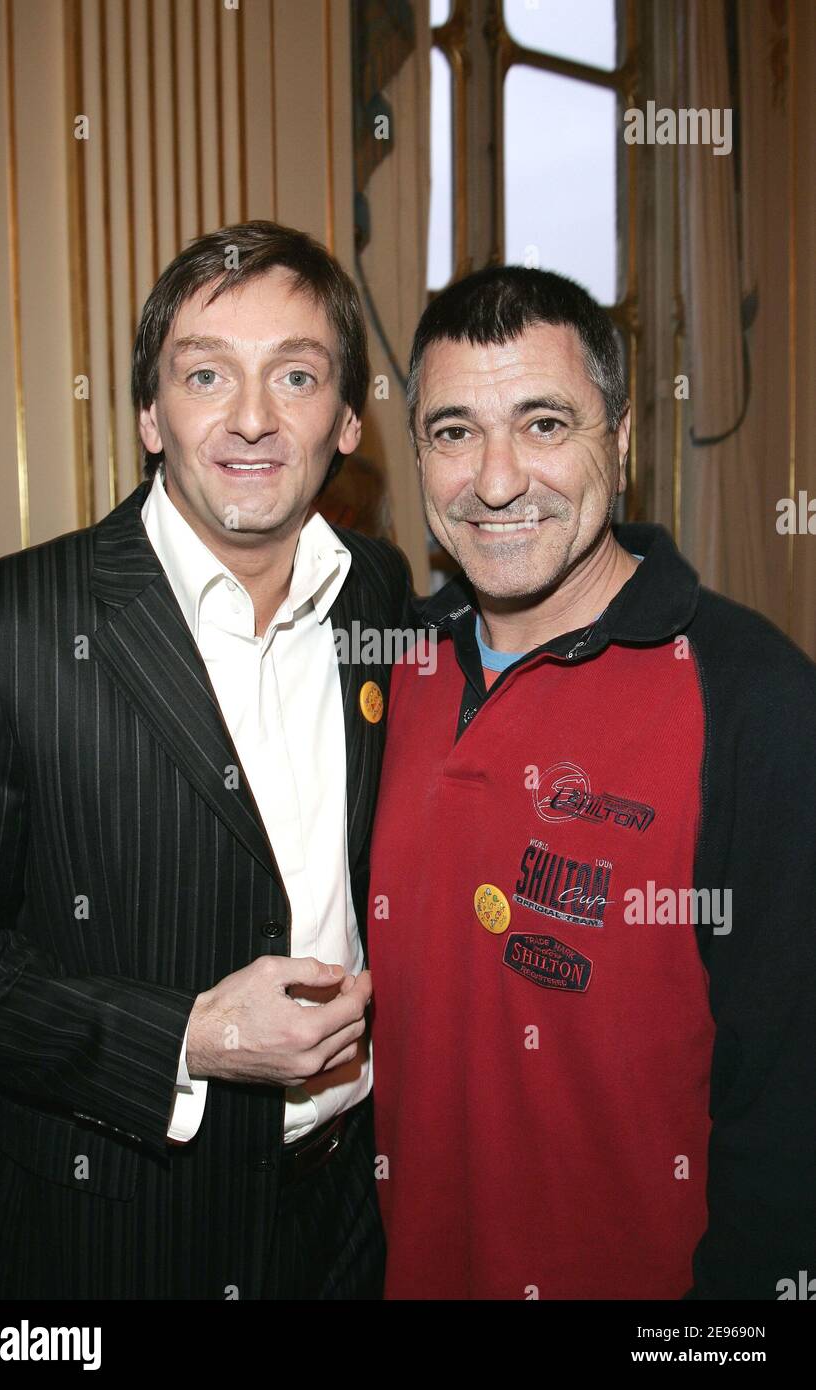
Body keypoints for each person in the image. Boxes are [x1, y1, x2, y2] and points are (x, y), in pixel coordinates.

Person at [0, 220, 410, 1300]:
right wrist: (187, 1037)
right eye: (206, 373)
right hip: (110, 1229)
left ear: (344, 420)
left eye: (294, 375)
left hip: (348, 1210)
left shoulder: (381, 596)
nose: (251, 418)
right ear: (152, 415)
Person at [368, 265, 816, 1300]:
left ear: (620, 441)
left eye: (541, 423)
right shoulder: (384, 671)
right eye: (451, 432)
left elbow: (790, 1109)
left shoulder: (756, 704)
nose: (493, 479)